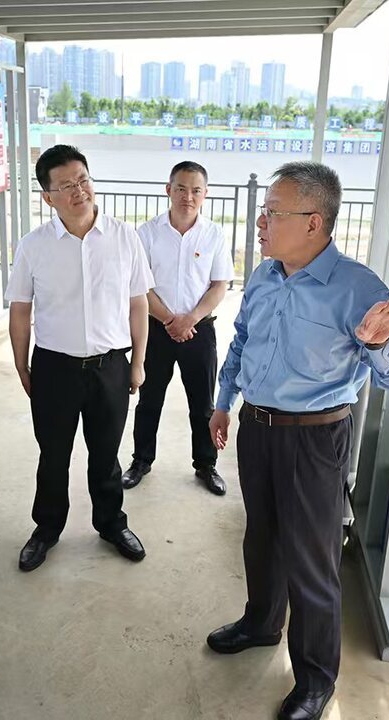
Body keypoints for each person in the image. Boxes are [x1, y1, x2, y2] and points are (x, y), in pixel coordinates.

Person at [206, 162, 389, 720]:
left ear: (314, 222)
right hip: (257, 427)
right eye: (264, 212)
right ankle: (260, 623)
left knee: (312, 562)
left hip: (315, 439)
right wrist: (224, 401)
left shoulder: (357, 288)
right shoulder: (264, 275)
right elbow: (242, 339)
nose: (260, 222)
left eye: (272, 213)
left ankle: (316, 679)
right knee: (262, 537)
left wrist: (375, 345)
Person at [5, 144, 153, 572]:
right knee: (53, 456)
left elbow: (138, 304)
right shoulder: (33, 246)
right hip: (54, 368)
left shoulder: (124, 237)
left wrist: (138, 362)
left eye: (83, 180)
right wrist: (21, 365)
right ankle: (46, 529)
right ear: (48, 197)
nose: (79, 190)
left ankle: (111, 524)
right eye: (66, 185)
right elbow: (21, 311)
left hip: (111, 366)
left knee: (106, 455)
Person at [122, 160, 233, 496]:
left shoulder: (214, 234)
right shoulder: (147, 233)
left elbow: (219, 285)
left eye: (196, 190)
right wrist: (171, 320)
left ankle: (206, 464)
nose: (188, 196)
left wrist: (191, 318)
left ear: (205, 194)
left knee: (202, 403)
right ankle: (141, 461)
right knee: (149, 399)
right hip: (156, 328)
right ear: (168, 190)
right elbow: (139, 286)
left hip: (200, 330)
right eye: (181, 189)